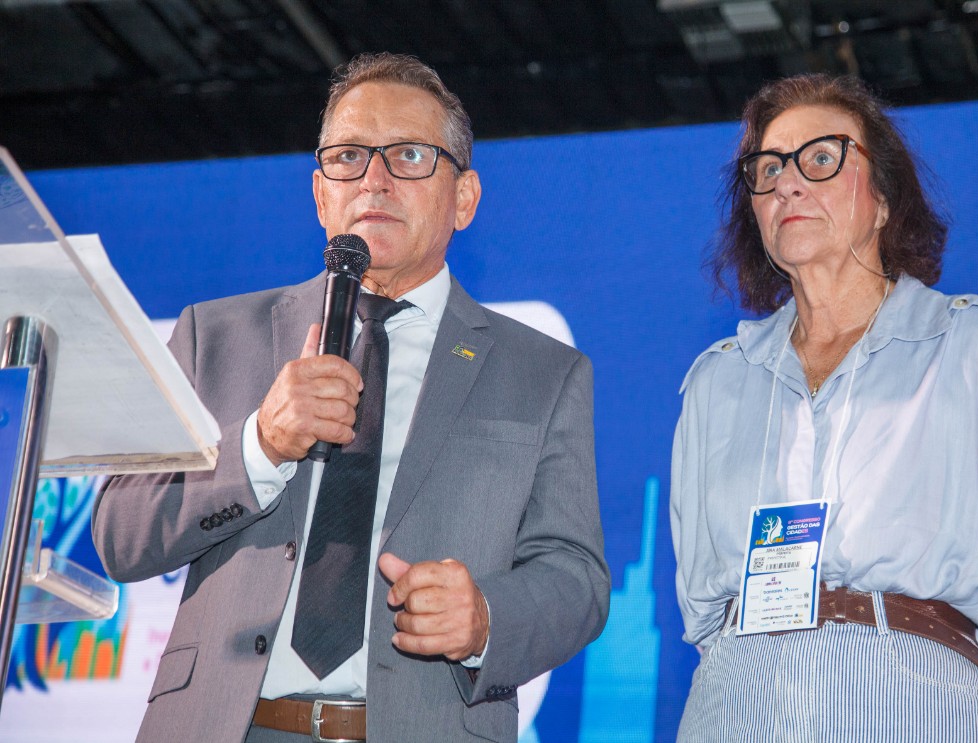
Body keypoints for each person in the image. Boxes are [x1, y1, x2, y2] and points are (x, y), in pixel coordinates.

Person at [92, 52, 609, 743]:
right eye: (348, 157)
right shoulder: (214, 337)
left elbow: (576, 577)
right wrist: (261, 446)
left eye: (409, 155)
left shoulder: (543, 371)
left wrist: (486, 616)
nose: (374, 178)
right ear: (319, 194)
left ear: (464, 198)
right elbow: (120, 536)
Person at [670, 73, 978, 741]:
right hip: (735, 711)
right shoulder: (717, 380)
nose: (787, 184)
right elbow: (703, 607)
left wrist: (969, 712)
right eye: (768, 168)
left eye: (821, 158)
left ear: (882, 200)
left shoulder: (977, 347)